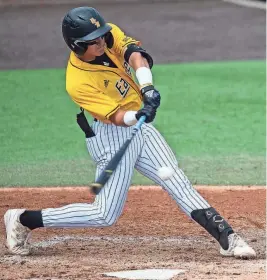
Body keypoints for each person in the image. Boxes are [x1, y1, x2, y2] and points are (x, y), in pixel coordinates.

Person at [4, 6, 256, 259]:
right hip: (111, 135)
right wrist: (138, 115)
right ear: (77, 46)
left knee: (176, 180)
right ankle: (24, 219)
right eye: (94, 41)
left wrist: (147, 88)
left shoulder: (108, 35)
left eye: (102, 35)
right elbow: (115, 117)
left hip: (141, 128)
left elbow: (135, 54)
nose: (102, 41)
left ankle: (228, 238)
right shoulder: (78, 82)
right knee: (104, 215)